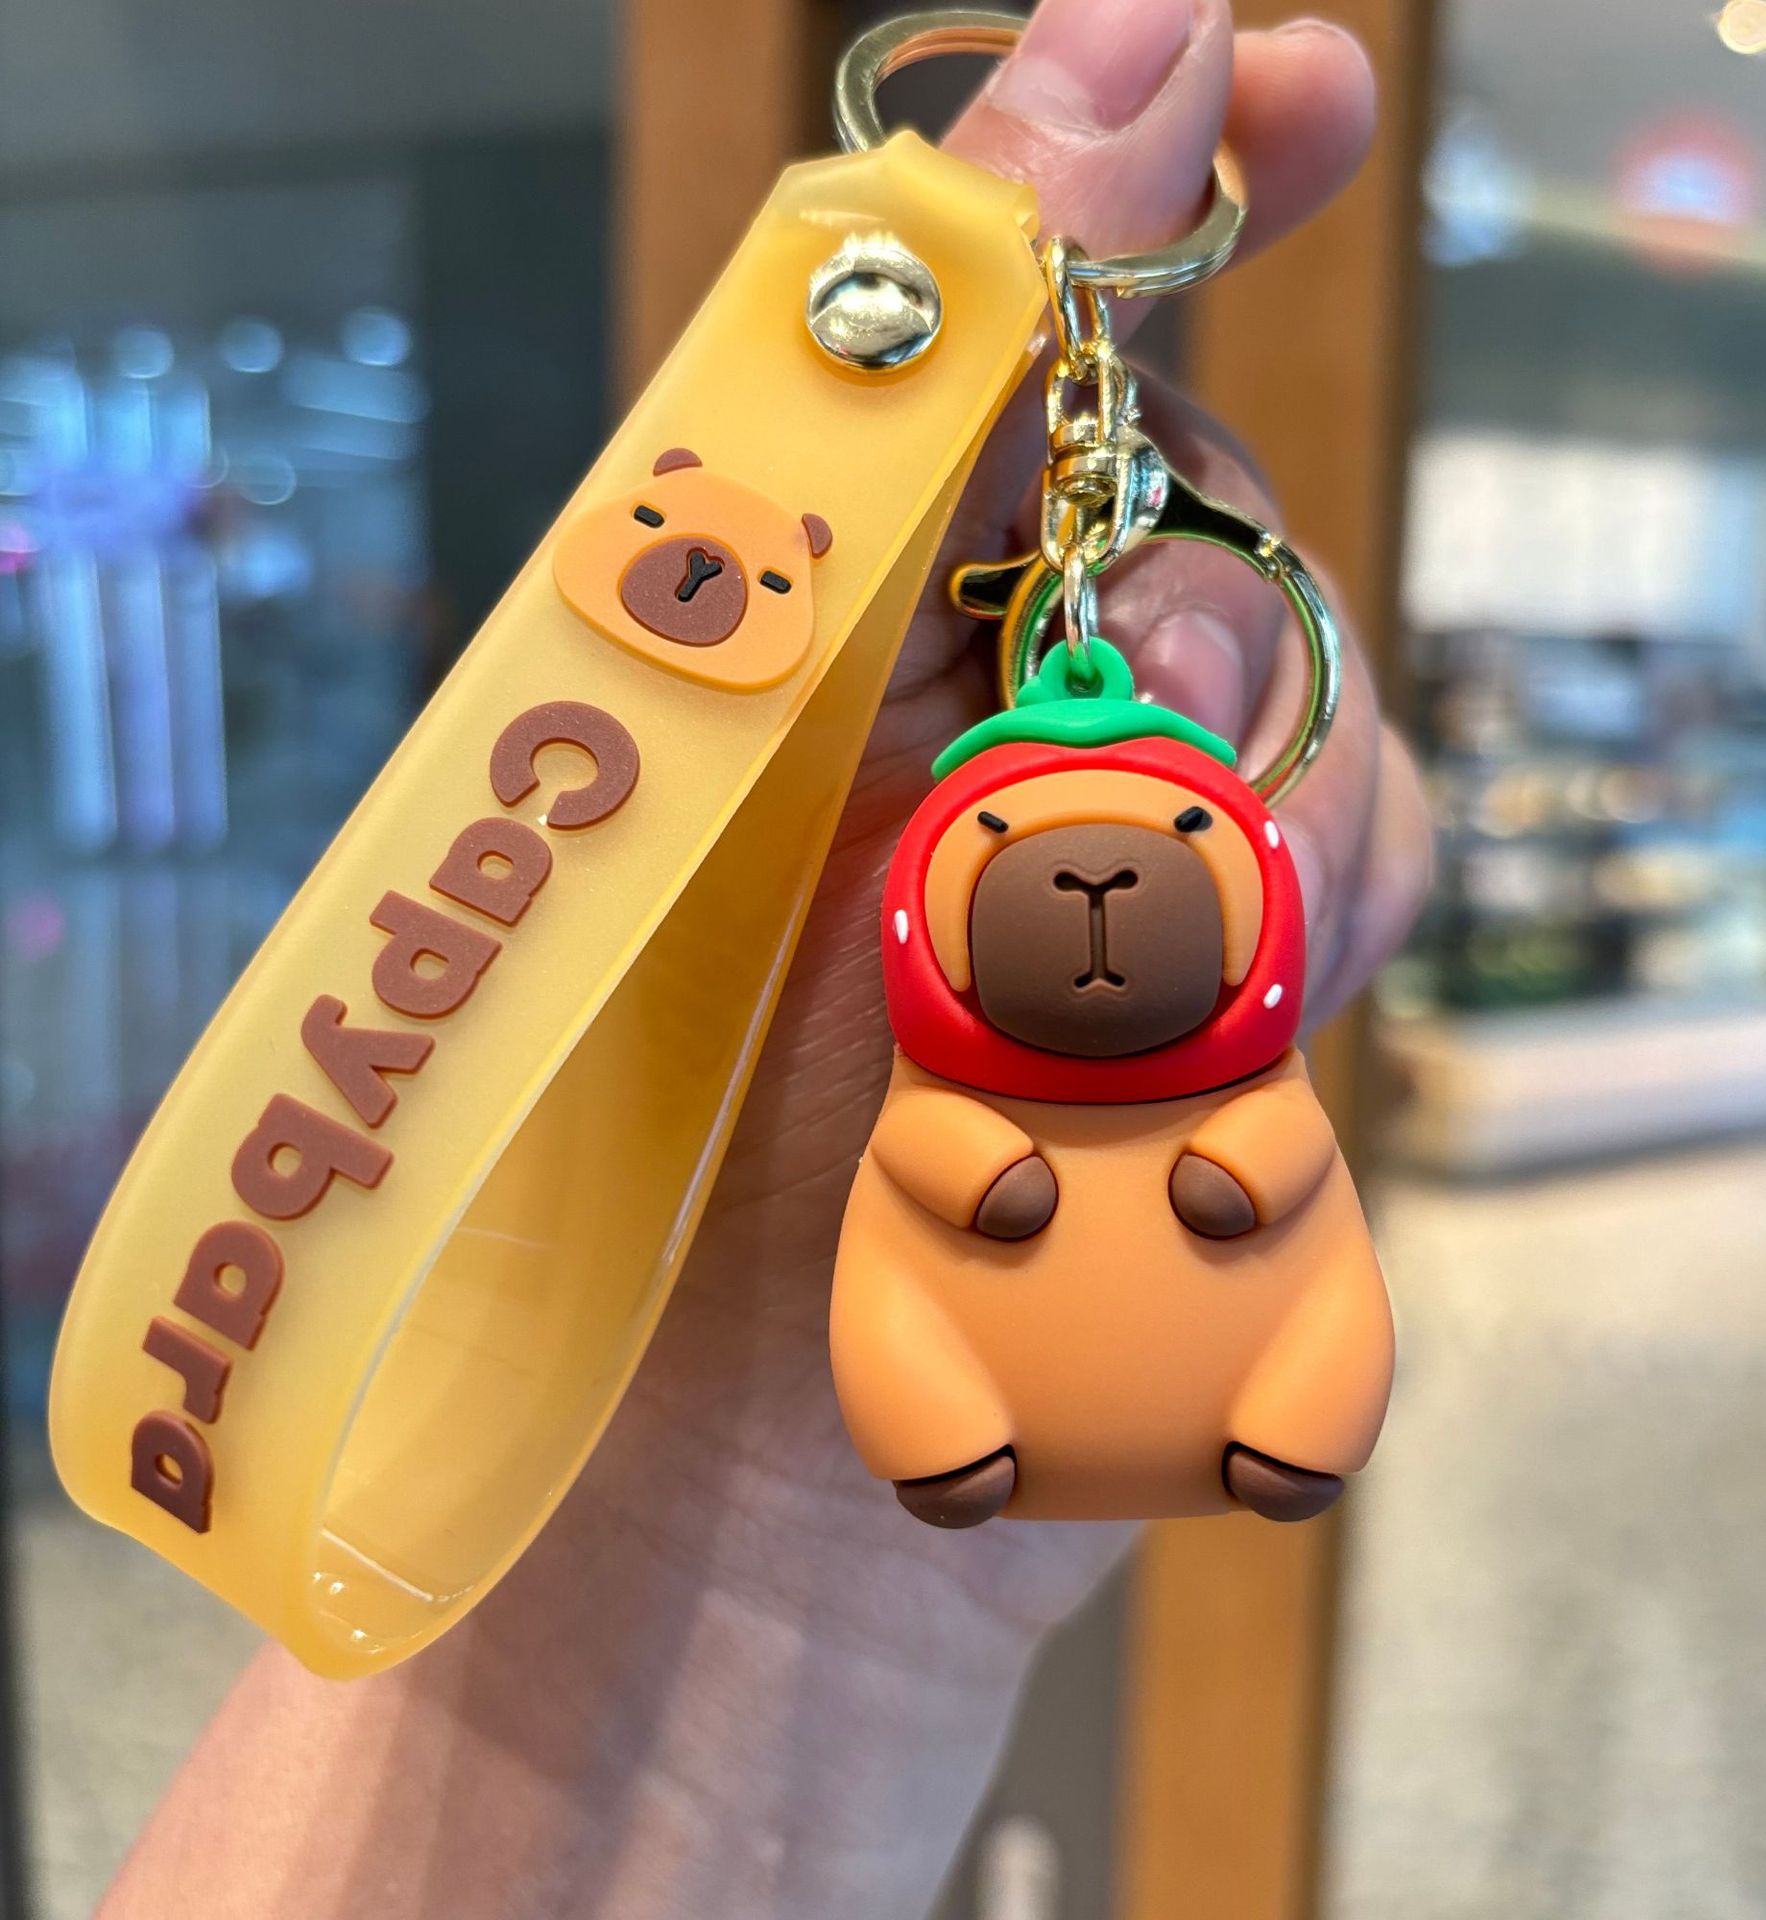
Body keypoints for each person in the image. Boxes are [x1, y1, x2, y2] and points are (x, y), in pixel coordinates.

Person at [103, 1, 1430, 1912]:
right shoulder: (949, 1101)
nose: (1087, 900)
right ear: (928, 910)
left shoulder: (1211, 1079)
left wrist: (784, 1556)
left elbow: (1271, 1203)